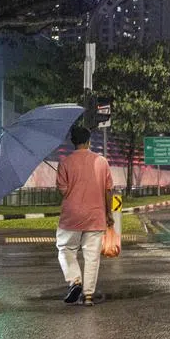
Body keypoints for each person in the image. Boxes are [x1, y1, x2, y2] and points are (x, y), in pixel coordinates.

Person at [56, 125, 113, 307]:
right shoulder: (101, 162)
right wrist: (109, 213)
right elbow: (108, 190)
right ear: (88, 141)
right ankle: (88, 295)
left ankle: (75, 280)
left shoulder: (64, 163)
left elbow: (63, 191)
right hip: (95, 215)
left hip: (71, 216)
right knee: (92, 256)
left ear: (73, 141)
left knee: (65, 249)